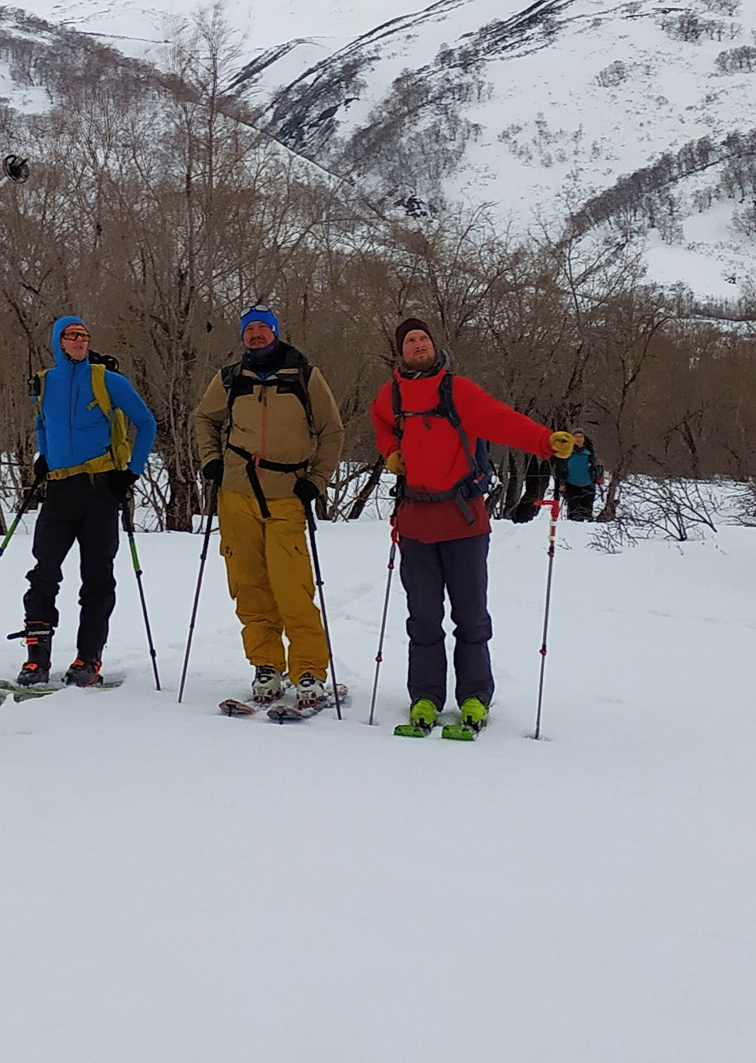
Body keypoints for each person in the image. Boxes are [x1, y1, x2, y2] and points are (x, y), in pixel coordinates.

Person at [371, 317, 562, 740]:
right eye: (409, 340)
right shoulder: (392, 395)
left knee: (471, 618)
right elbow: (381, 422)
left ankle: (475, 696)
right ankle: (425, 697)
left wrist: (546, 442)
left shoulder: (457, 391)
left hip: (464, 521)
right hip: (415, 522)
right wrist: (391, 451)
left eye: (423, 338)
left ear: (433, 345)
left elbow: (502, 421)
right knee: (423, 619)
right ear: (400, 352)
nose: (418, 344)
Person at [190, 306, 345, 711]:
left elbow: (332, 431)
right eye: (250, 329)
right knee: (248, 586)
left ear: (275, 332)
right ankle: (266, 665)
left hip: (287, 495)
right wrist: (211, 460)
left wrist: (317, 479)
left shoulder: (304, 375)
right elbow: (205, 419)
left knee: (292, 587)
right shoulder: (230, 378)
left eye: (263, 328)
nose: (256, 335)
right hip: (235, 493)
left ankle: (308, 669)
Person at [15, 315, 157, 688]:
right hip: (59, 490)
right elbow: (42, 424)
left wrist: (132, 471)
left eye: (84, 336)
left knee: (97, 576)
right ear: (58, 341)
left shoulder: (107, 380)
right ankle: (36, 659)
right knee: (43, 573)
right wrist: (43, 456)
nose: (79, 341)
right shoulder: (45, 382)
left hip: (100, 490)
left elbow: (147, 423)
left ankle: (88, 659)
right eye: (71, 335)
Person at [563, 431, 599, 520]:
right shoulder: (567, 453)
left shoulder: (590, 453)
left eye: (581, 437)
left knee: (587, 512)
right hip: (571, 486)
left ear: (584, 439)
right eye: (576, 437)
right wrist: (561, 483)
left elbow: (596, 469)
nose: (578, 439)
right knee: (573, 513)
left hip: (588, 486)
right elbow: (561, 469)